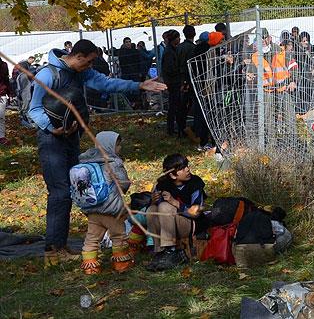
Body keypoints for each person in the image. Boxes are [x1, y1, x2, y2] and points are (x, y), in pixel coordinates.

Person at [29, 39, 165, 265]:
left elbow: (106, 84)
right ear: (79, 56)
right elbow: (32, 109)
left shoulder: (81, 73)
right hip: (51, 140)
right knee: (60, 192)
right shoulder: (47, 75)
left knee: (73, 187)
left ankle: (60, 246)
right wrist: (52, 128)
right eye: (90, 61)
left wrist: (139, 85)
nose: (91, 66)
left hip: (71, 136)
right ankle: (52, 251)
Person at [76, 131, 134, 275]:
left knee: (92, 238)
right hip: (111, 209)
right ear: (109, 146)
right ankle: (121, 263)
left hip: (92, 209)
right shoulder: (113, 162)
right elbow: (123, 183)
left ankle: (90, 266)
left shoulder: (85, 161)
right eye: (118, 145)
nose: (119, 148)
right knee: (118, 236)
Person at [146, 154, 206, 271]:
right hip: (169, 223)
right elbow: (151, 210)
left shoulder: (195, 183)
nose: (187, 169)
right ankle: (159, 251)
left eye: (187, 166)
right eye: (182, 168)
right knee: (151, 210)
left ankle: (171, 251)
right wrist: (152, 201)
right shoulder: (163, 185)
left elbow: (196, 212)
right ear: (172, 175)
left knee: (164, 206)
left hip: (190, 223)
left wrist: (175, 202)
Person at [160, 30, 184, 137]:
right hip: (173, 82)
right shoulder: (169, 52)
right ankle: (171, 129)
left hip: (173, 81)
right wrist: (180, 70)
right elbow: (170, 68)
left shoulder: (172, 50)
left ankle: (178, 128)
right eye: (178, 38)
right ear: (174, 39)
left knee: (176, 106)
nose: (179, 39)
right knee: (174, 106)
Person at [0, 61, 12, 146]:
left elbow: (6, 80)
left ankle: (1, 137)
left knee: (1, 117)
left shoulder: (3, 65)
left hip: (2, 93)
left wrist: (10, 94)